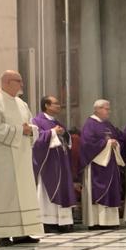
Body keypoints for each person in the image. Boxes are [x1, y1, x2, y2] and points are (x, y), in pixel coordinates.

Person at [0, 71, 43, 246]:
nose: (22, 85)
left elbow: (32, 125)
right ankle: (3, 234)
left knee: (22, 194)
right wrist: (19, 130)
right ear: (8, 82)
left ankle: (22, 232)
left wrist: (30, 130)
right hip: (3, 158)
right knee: (5, 194)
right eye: (19, 81)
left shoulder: (21, 104)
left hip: (22, 156)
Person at [32, 95, 76, 232]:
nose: (59, 106)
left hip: (61, 163)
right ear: (47, 105)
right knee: (47, 192)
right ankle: (47, 222)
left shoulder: (58, 123)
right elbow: (35, 140)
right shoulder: (37, 121)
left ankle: (62, 222)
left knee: (62, 190)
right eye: (55, 104)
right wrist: (52, 132)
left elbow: (67, 141)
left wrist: (64, 134)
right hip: (48, 164)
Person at [80, 99, 125, 229]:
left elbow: (118, 138)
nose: (108, 111)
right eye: (106, 108)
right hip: (97, 165)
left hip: (110, 163)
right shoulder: (90, 124)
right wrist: (108, 143)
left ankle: (110, 221)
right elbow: (87, 144)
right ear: (97, 109)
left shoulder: (108, 125)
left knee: (112, 189)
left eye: (108, 109)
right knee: (97, 191)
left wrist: (115, 143)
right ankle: (97, 222)